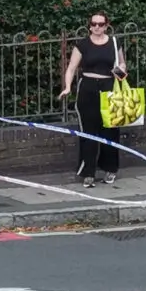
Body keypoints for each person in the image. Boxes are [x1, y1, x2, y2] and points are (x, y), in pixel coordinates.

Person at [59, 13, 128, 186]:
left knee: (110, 130)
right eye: (93, 24)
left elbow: (122, 64)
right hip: (88, 87)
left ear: (106, 26)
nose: (97, 27)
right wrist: (67, 87)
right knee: (88, 131)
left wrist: (120, 75)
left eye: (101, 24)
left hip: (109, 86)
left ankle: (110, 168)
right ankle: (88, 172)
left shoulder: (114, 42)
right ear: (89, 26)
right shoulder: (83, 44)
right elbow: (71, 68)